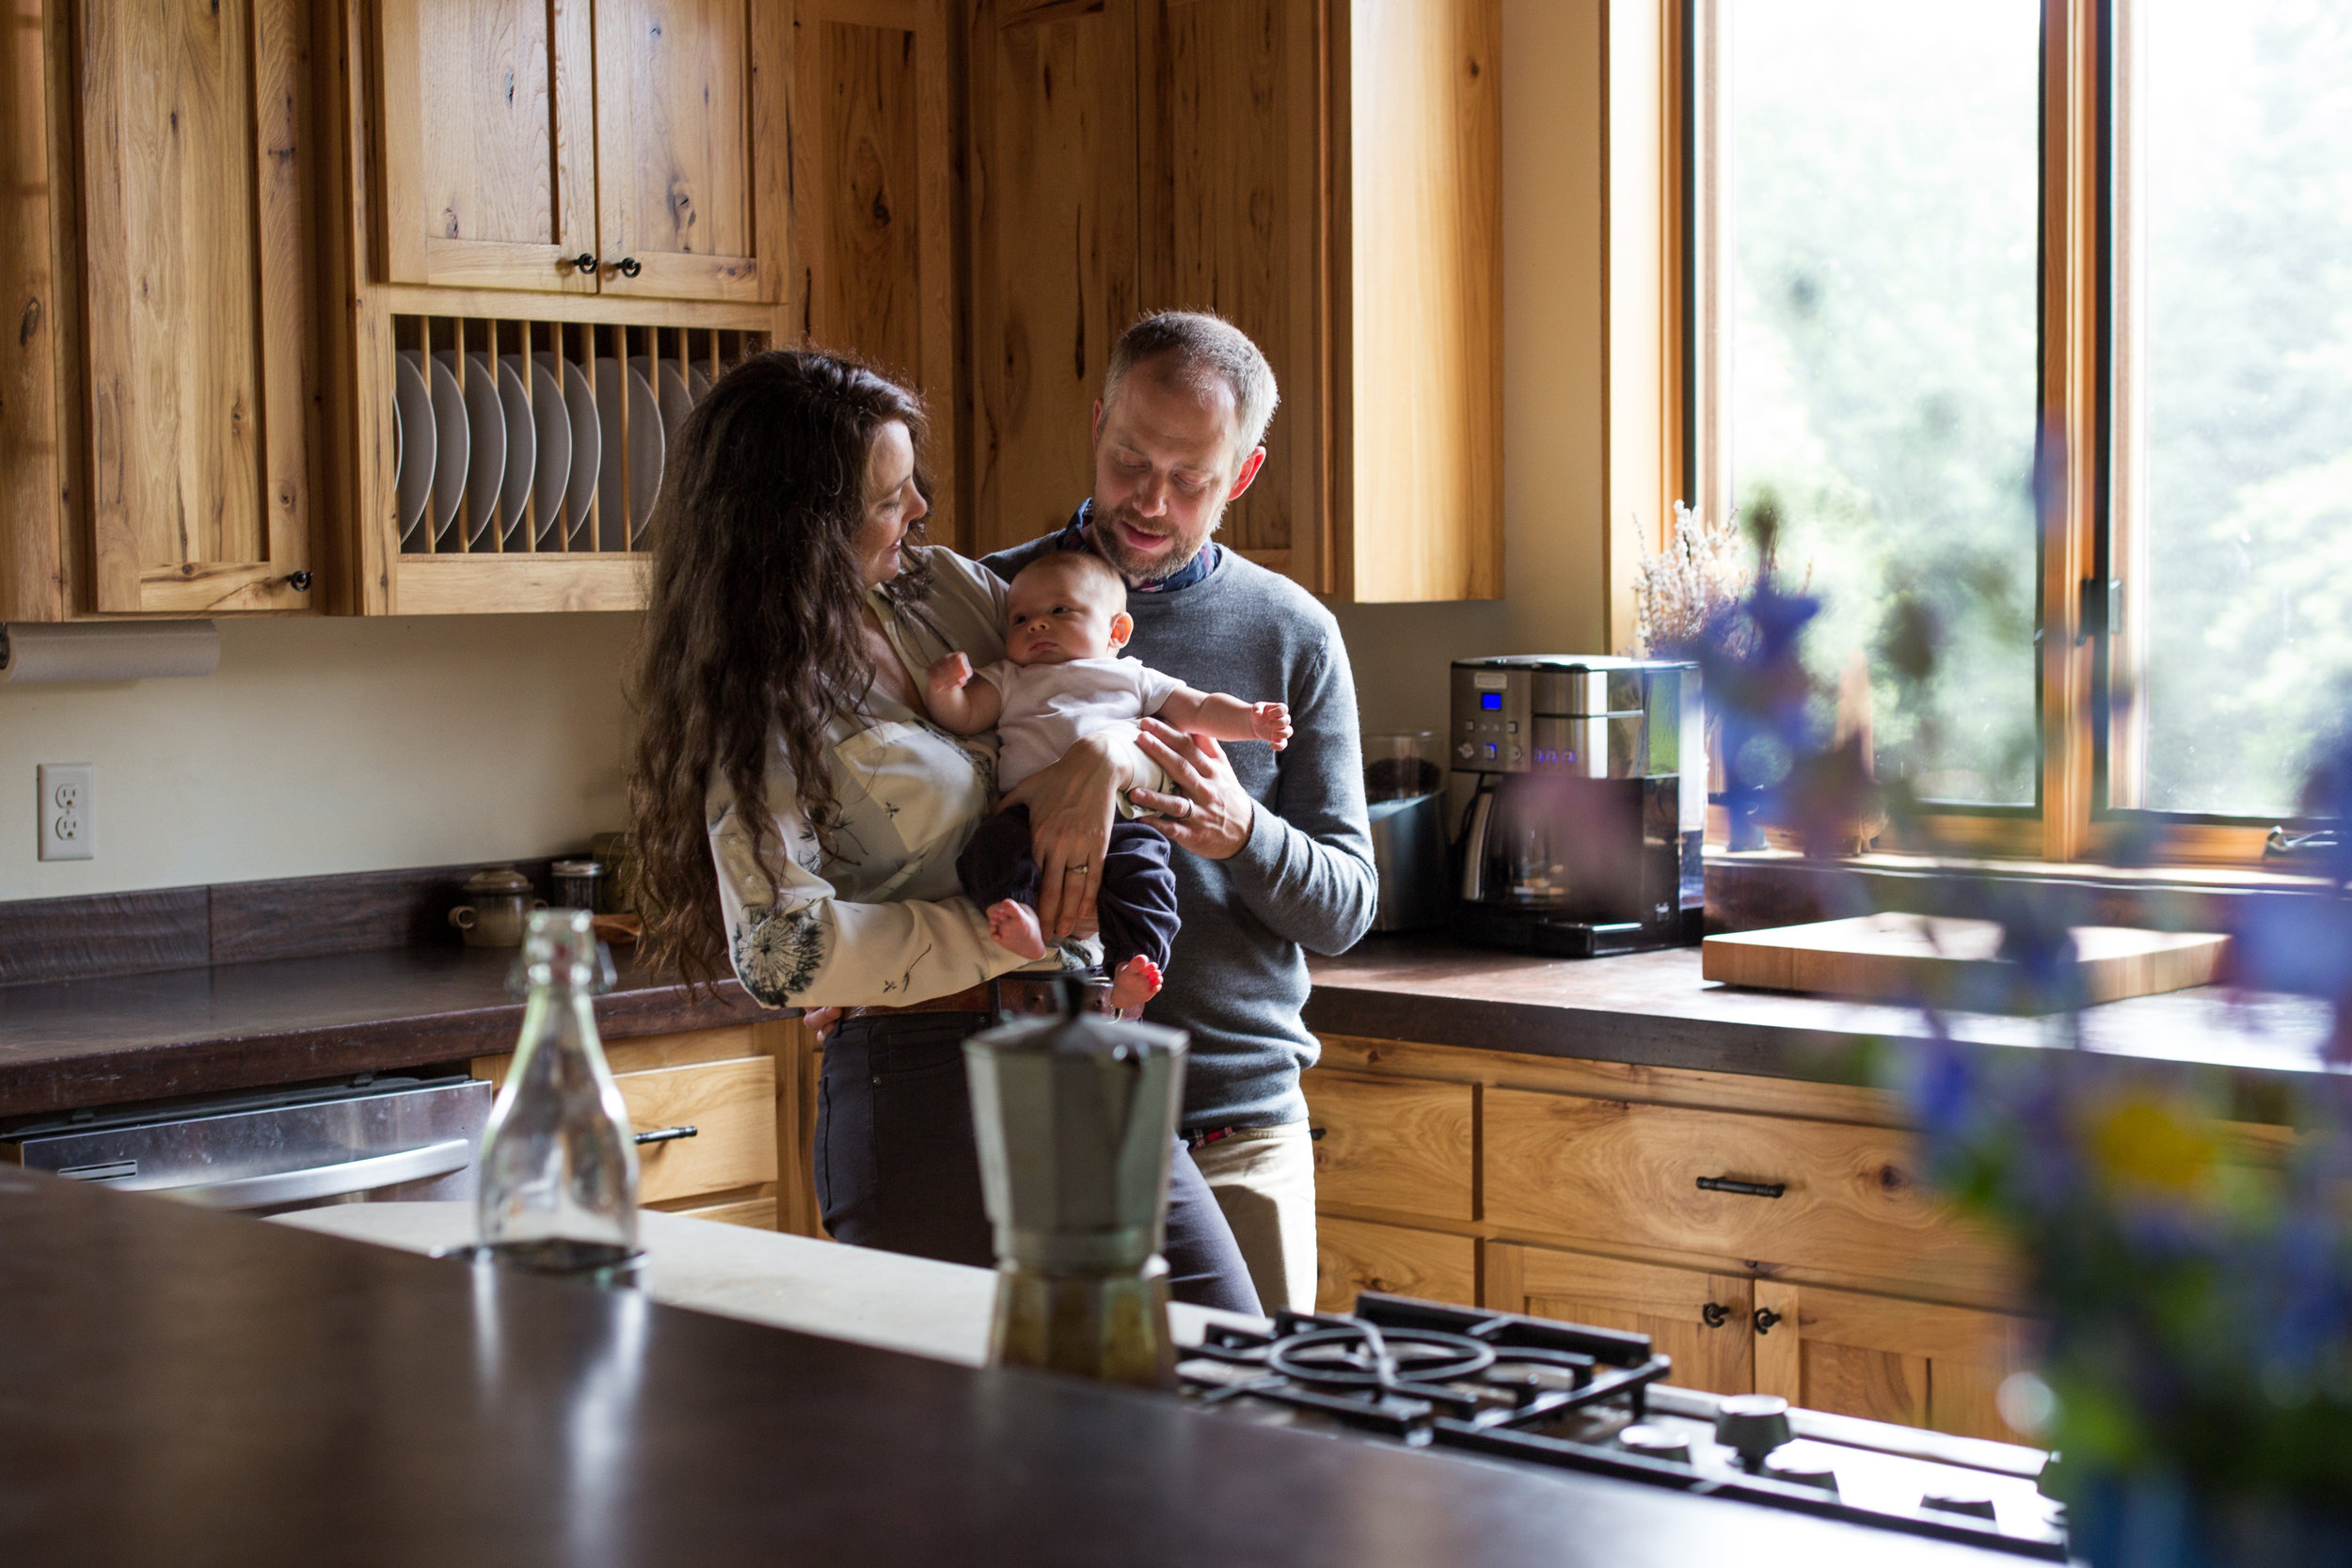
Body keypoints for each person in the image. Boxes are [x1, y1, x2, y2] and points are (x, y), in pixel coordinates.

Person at [626, 348, 1259, 1314]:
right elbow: (785, 956)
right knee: (973, 1445)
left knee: (1226, 1366)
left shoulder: (947, 590)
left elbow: (1116, 703)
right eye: (888, 499)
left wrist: (1102, 766)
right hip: (921, 1083)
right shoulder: (756, 698)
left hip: (1082, 1049)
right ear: (801, 524)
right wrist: (1004, 938)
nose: (920, 507)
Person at [981, 311, 1378, 1315]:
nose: (1148, 500)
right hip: (1035, 1110)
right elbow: (913, 825)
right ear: (1098, 423)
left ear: (1241, 476)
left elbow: (1346, 906)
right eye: (1128, 458)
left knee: (1250, 1442)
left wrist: (1244, 830)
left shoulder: (1294, 634)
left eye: (1189, 476)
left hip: (1235, 1122)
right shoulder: (992, 599)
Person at [925, 548, 1294, 1015]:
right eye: (1019, 619)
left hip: (1123, 817)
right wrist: (944, 690)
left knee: (1147, 878)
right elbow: (964, 715)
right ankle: (1020, 917)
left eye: (1060, 611)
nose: (1036, 624)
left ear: (1117, 630)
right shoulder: (1011, 678)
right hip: (1025, 814)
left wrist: (1251, 720)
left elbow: (1198, 710)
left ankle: (1132, 967)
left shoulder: (1132, 677)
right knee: (989, 848)